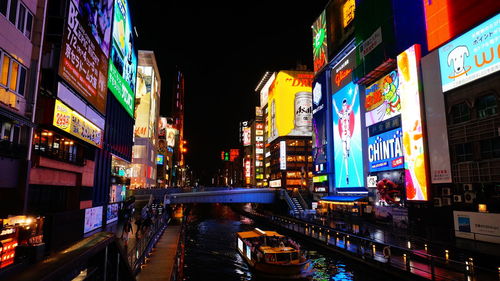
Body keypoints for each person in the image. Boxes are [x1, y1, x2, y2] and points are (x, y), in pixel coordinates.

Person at [333, 86, 358, 185]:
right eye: (343, 105)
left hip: (348, 135)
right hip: (343, 137)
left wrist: (355, 93)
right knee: (344, 156)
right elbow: (335, 109)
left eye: (345, 104)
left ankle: (348, 151)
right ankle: (347, 175)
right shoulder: (340, 114)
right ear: (342, 106)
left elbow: (353, 103)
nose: (344, 106)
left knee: (347, 148)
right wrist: (334, 103)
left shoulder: (347, 112)